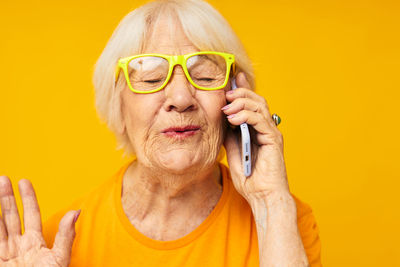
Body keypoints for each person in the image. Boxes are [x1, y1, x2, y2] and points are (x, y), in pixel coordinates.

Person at [0, 0, 322, 266]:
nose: (181, 99)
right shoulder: (57, 243)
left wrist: (270, 202)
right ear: (118, 106)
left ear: (237, 97)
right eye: (152, 78)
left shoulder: (284, 223)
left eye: (205, 75)